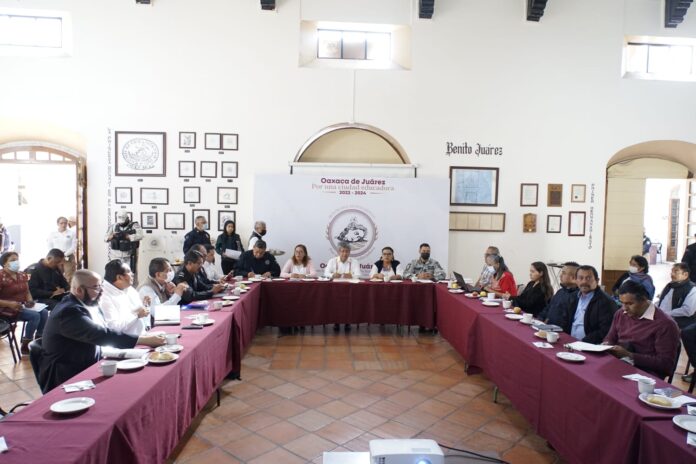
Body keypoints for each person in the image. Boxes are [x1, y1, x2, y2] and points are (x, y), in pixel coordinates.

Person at [37, 269, 165, 393]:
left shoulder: (89, 304)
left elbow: (106, 330)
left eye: (101, 286)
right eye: (96, 288)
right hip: (67, 374)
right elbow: (101, 335)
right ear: (79, 290)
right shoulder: (68, 312)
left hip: (90, 362)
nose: (102, 292)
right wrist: (144, 340)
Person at [604, 280, 680, 379]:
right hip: (620, 364)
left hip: (646, 374)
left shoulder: (665, 324)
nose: (624, 308)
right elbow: (610, 338)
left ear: (644, 300)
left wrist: (630, 355)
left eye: (629, 304)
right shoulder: (620, 314)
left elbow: (665, 364)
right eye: (622, 303)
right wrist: (606, 345)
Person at [0, 251, 48, 353]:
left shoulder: (22, 274)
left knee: (44, 312)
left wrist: (30, 300)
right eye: (13, 260)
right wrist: (9, 304)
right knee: (35, 316)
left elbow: (27, 291)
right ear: (4, 263)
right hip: (5, 308)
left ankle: (39, 340)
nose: (16, 262)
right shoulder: (1, 276)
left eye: (17, 260)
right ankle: (26, 345)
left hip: (21, 306)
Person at [559, 265, 617, 344]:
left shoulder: (606, 302)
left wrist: (582, 342)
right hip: (569, 342)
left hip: (588, 345)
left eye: (588, 278)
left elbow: (605, 331)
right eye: (580, 278)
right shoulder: (573, 297)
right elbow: (565, 321)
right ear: (576, 280)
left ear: (597, 280)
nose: (584, 282)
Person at [100, 259, 150, 337]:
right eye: (129, 272)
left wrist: (145, 305)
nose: (132, 274)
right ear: (119, 277)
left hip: (143, 335)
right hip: (126, 341)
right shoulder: (103, 296)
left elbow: (140, 311)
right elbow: (113, 327)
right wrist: (136, 315)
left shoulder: (129, 288)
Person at [105, 211, 143, 281]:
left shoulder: (134, 225)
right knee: (115, 274)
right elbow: (105, 238)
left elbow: (140, 236)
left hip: (129, 255)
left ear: (127, 218)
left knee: (131, 273)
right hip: (115, 255)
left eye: (123, 222)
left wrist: (127, 236)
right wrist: (113, 236)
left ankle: (132, 287)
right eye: (120, 222)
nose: (121, 223)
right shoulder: (113, 226)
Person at [538, 261, 579, 326]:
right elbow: (548, 308)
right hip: (546, 326)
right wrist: (540, 319)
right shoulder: (560, 291)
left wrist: (549, 325)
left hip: (558, 330)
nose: (560, 275)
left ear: (573, 278)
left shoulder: (577, 296)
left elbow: (567, 320)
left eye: (563, 273)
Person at [657, 262, 696, 329]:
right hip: (663, 319)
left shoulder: (692, 289)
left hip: (679, 325)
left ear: (685, 275)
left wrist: (666, 314)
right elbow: (662, 300)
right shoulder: (670, 285)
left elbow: (688, 310)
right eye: (672, 271)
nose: (672, 274)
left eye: (676, 272)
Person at [46, 216, 77, 282]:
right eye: (61, 223)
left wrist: (64, 254)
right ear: (58, 224)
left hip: (68, 257)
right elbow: (49, 245)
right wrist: (54, 254)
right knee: (56, 275)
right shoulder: (53, 234)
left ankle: (69, 288)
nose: (63, 225)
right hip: (56, 257)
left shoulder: (72, 233)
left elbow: (74, 246)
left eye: (65, 223)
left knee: (69, 276)